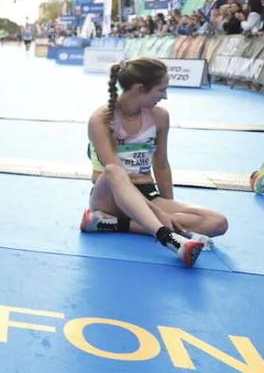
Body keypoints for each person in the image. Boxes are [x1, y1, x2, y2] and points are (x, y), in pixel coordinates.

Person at [80, 58, 228, 265]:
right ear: (140, 89)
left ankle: (112, 224)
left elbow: (161, 165)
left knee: (217, 222)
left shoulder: (160, 117)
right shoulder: (101, 120)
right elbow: (113, 173)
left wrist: (170, 208)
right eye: (161, 90)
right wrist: (160, 214)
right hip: (110, 196)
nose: (165, 96)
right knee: (115, 170)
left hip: (147, 194)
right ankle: (166, 237)